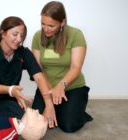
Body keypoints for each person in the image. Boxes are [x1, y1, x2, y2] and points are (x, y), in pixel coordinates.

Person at [31, 1, 93, 133]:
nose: (45, 29)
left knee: (69, 125)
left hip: (71, 87)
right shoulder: (37, 37)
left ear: (62, 22)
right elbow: (38, 70)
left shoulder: (76, 35)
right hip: (46, 88)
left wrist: (60, 86)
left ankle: (78, 112)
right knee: (39, 123)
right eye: (43, 24)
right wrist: (49, 99)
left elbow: (76, 67)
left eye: (51, 25)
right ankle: (61, 109)